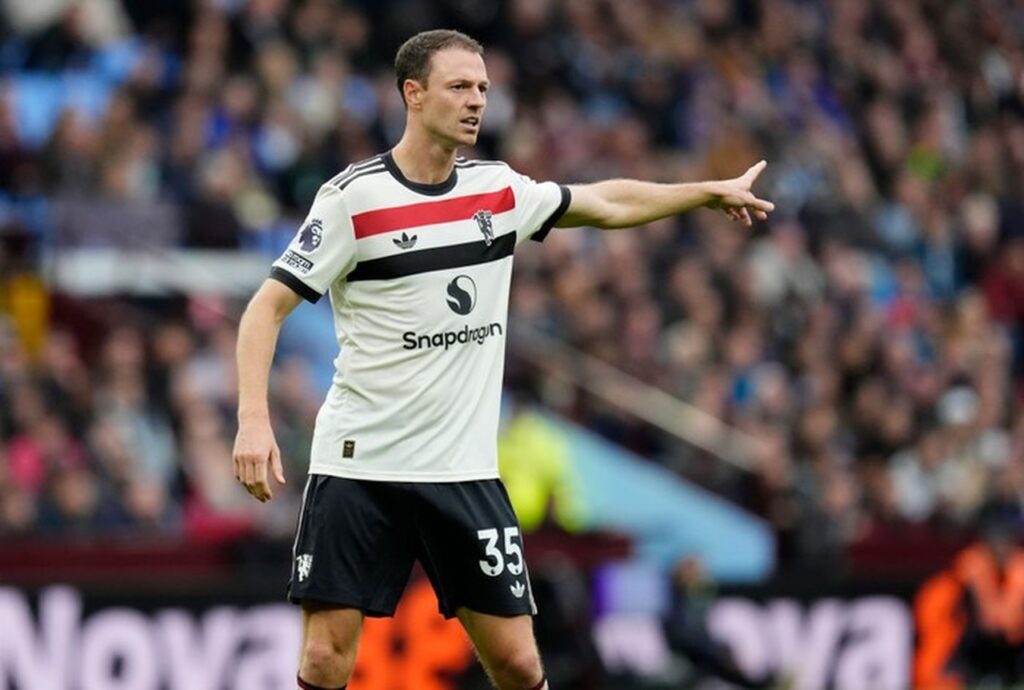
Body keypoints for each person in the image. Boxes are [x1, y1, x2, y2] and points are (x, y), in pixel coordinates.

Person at [232, 29, 774, 690]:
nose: (476, 101)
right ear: (413, 94)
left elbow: (604, 202)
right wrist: (253, 419)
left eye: (483, 89)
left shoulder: (498, 190)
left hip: (461, 470)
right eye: (459, 86)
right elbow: (265, 308)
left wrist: (702, 192)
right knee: (325, 657)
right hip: (360, 464)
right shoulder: (354, 200)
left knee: (517, 662)